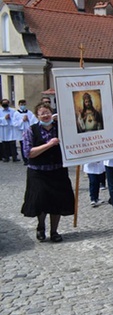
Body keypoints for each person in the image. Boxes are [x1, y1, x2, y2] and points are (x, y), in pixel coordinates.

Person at [20, 102, 75, 242]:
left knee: (57, 202)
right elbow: (28, 153)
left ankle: (54, 231)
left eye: (47, 112)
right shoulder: (31, 130)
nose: (45, 115)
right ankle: (41, 226)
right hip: (38, 172)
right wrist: (49, 144)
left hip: (57, 171)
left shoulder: (60, 129)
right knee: (41, 201)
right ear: (37, 116)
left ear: (52, 113)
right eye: (42, 113)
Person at [13, 99, 37, 165]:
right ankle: (25, 160)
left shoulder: (29, 112)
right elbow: (14, 124)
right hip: (21, 132)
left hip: (28, 131)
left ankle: (30, 158)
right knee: (23, 145)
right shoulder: (16, 113)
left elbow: (34, 121)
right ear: (19, 105)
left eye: (24, 104)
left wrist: (28, 119)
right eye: (21, 105)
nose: (23, 106)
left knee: (30, 144)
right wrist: (22, 120)